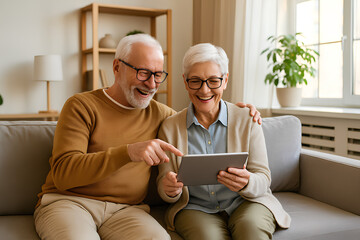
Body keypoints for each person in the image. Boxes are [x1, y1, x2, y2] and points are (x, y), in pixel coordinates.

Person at [34, 34, 261, 240]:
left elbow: (199, 115)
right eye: (143, 73)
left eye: (158, 75)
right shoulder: (81, 106)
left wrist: (237, 111)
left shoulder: (162, 115)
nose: (152, 84)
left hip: (126, 210)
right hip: (69, 203)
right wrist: (128, 152)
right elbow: (63, 174)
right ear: (116, 67)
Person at [157, 43, 291, 240]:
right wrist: (168, 189)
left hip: (247, 203)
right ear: (185, 82)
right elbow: (163, 182)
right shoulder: (169, 127)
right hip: (195, 208)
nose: (204, 90)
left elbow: (263, 177)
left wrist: (247, 182)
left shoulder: (248, 119)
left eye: (213, 81)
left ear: (225, 80)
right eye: (195, 81)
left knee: (251, 229)